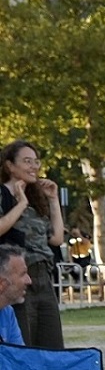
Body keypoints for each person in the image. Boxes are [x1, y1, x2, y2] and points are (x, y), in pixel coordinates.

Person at [0, 141, 65, 349]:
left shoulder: (34, 199)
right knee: (22, 348)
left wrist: (53, 200)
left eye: (36, 162)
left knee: (52, 346)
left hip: (43, 277)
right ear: (10, 166)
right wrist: (21, 204)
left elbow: (56, 238)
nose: (34, 167)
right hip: (15, 280)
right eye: (27, 161)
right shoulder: (4, 195)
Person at [0, 244, 33, 345]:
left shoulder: (7, 312)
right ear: (1, 284)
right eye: (23, 274)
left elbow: (18, 353)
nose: (29, 281)